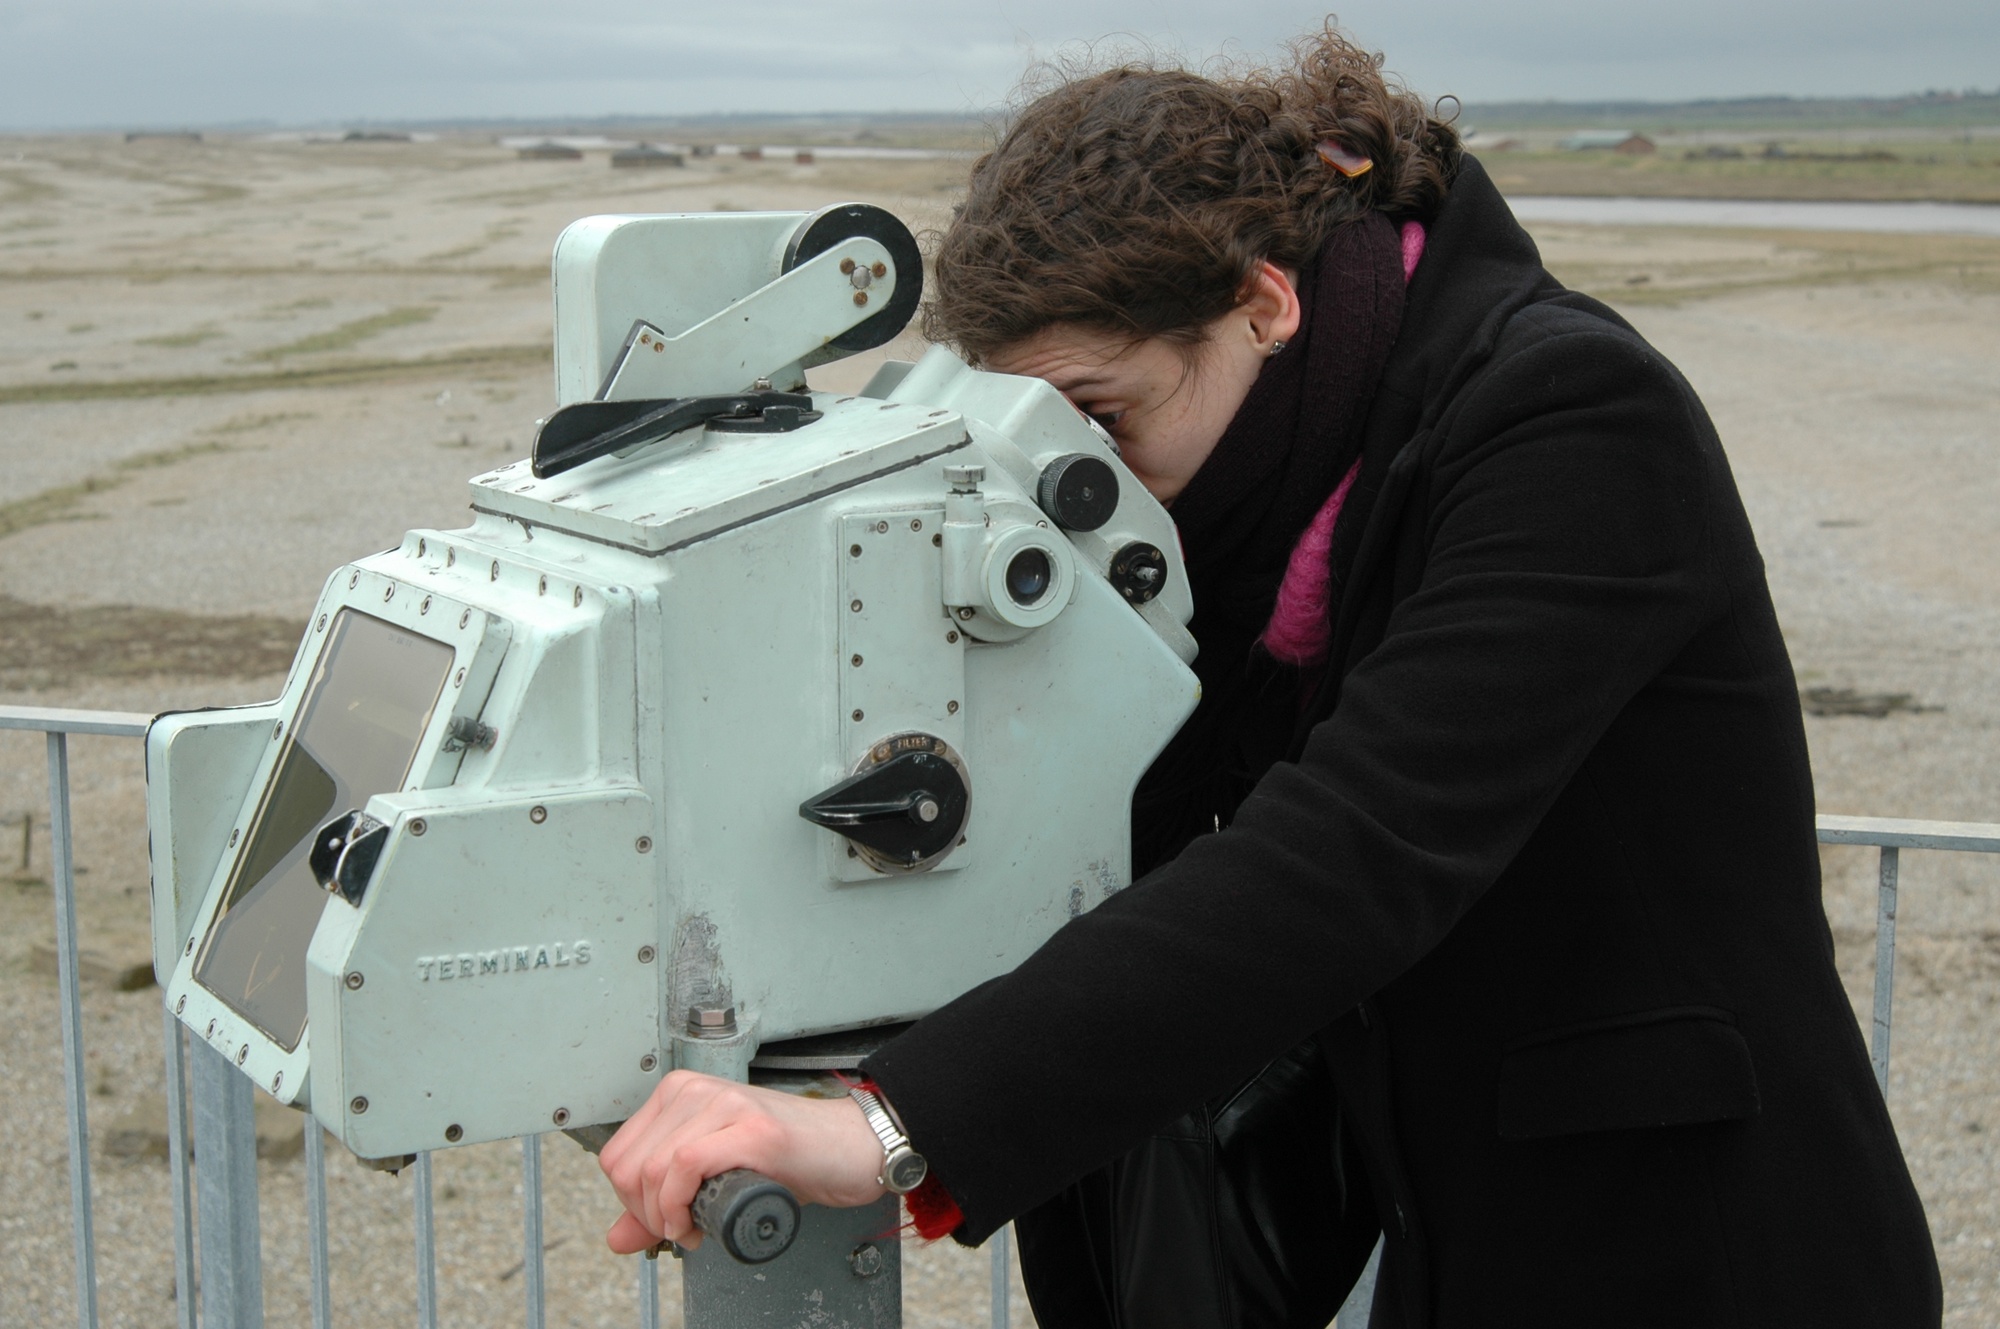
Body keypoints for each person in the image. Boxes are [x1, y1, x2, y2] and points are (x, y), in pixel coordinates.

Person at [597, 23, 1942, 1327]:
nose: (1091, 479)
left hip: (1677, 1243)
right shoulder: (1250, 480)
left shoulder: (1570, 420)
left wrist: (893, 1123)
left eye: (1105, 415)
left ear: (1261, 301)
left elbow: (1354, 846)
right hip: (1415, 1221)